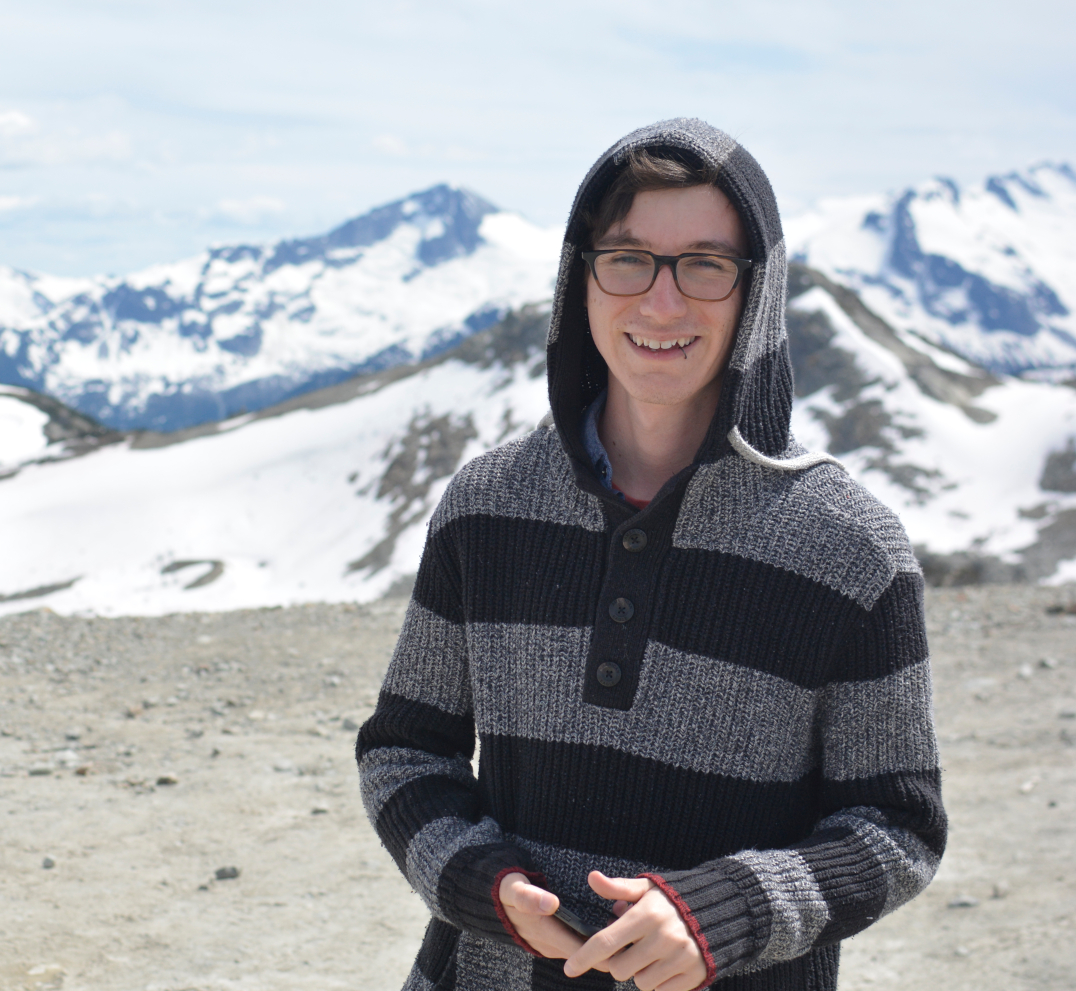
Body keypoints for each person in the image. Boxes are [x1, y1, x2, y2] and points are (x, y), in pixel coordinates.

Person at [356, 118, 944, 991]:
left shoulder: (850, 549)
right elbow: (406, 751)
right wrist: (484, 882)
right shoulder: (487, 507)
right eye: (627, 257)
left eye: (705, 265)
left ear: (759, 293)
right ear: (580, 279)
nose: (660, 304)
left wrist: (722, 915)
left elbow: (898, 825)